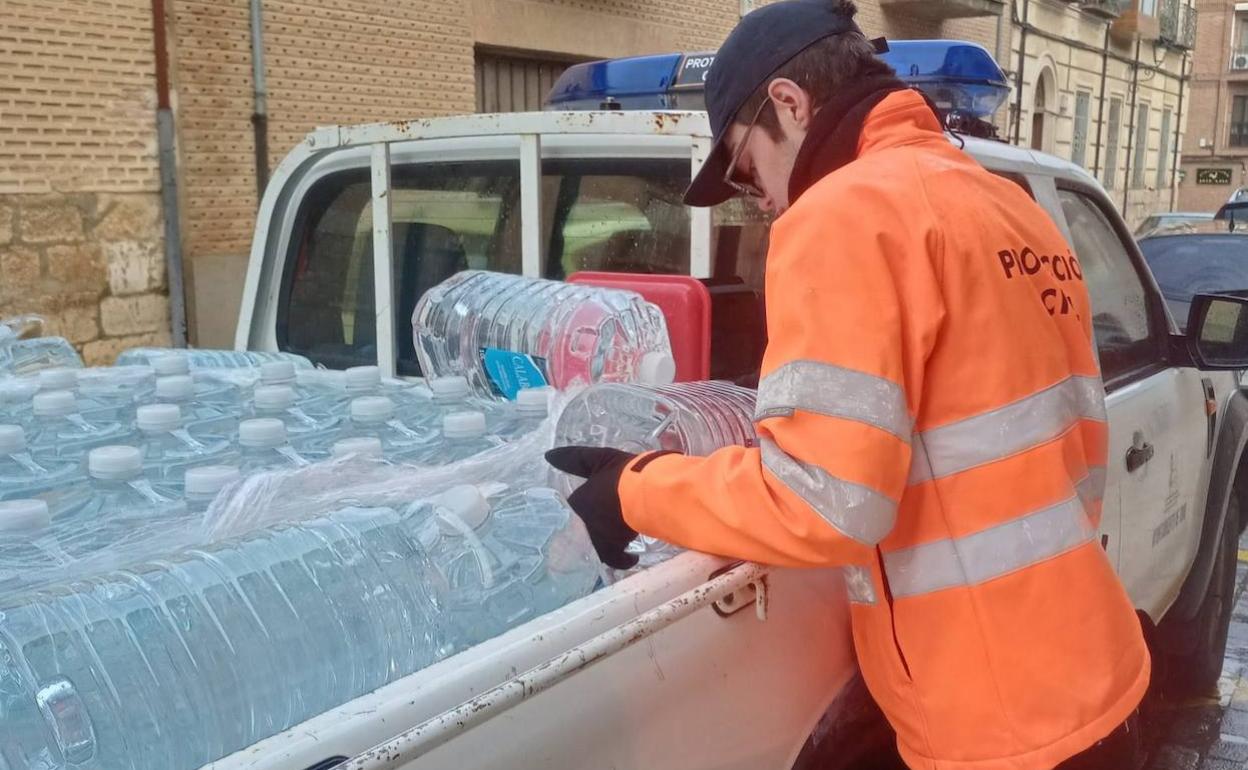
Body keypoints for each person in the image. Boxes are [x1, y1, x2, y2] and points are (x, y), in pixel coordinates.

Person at [545, 1, 1150, 768]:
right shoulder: (1008, 207)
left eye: (742, 164)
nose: (755, 196)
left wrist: (632, 489)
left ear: (789, 105)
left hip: (996, 731)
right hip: (1090, 673)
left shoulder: (844, 215)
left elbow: (820, 500)